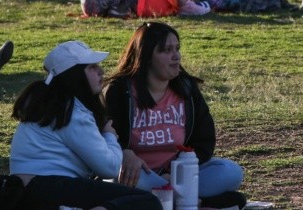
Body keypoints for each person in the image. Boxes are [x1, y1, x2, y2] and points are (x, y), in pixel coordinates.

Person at [103, 23, 245, 207]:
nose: (176, 56)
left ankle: (168, 200)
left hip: (179, 174)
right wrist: (123, 151)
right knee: (117, 177)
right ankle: (191, 201)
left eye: (177, 49)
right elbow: (103, 135)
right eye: (166, 50)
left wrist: (177, 171)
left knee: (230, 171)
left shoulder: (186, 88)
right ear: (146, 57)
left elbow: (204, 141)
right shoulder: (120, 91)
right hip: (140, 174)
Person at [9, 41, 160, 210]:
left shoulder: (52, 105)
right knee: (147, 201)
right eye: (92, 67)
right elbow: (109, 168)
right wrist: (110, 135)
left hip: (28, 189)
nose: (101, 71)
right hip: (49, 188)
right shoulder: (72, 112)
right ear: (75, 75)